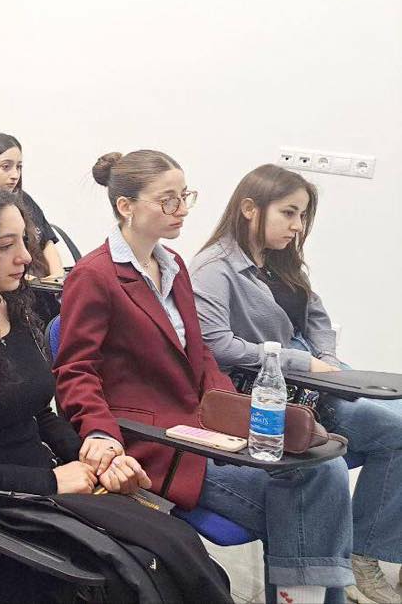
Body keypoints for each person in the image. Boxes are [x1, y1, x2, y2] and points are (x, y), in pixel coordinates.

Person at [0, 183, 228, 602]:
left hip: (48, 484)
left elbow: (39, 414)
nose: (25, 257)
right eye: (5, 246)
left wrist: (96, 459)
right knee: (130, 575)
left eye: (24, 240)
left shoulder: (12, 307)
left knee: (175, 546)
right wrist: (50, 481)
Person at [53, 149, 355, 604]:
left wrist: (234, 412)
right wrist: (99, 431)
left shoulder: (172, 265)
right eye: (168, 200)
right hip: (156, 442)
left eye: (185, 196)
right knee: (307, 506)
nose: (182, 209)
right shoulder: (95, 275)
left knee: (325, 470)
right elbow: (76, 370)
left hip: (203, 429)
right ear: (126, 206)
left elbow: (202, 356)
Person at [192, 164, 402, 604]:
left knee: (399, 425)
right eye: (289, 213)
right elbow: (218, 345)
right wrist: (300, 360)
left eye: (303, 215)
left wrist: (327, 360)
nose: (298, 226)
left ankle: (365, 551)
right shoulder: (214, 269)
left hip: (314, 384)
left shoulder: (279, 260)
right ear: (250, 208)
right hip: (274, 392)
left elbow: (317, 317)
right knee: (375, 441)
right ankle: (352, 558)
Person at [0, 133, 65, 278]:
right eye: (6, 167)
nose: (15, 175)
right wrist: (22, 278)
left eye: (18, 167)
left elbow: (47, 242)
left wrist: (57, 276)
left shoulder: (23, 198)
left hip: (41, 284)